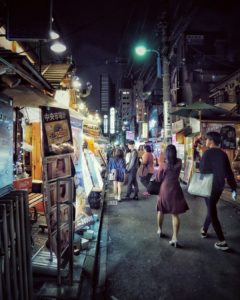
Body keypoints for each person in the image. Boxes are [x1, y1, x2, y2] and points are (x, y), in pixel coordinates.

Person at [200, 131, 237, 251]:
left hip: (208, 187)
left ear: (211, 141)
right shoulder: (223, 154)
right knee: (211, 208)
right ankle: (204, 230)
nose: (206, 141)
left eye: (207, 139)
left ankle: (222, 241)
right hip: (218, 187)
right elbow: (229, 173)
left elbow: (202, 172)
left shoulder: (206, 154)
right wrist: (233, 188)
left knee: (212, 212)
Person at [157, 144, 189, 247]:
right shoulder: (179, 162)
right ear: (175, 153)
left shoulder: (163, 164)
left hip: (164, 189)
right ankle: (175, 238)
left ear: (166, 153)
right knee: (175, 214)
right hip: (175, 188)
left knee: (160, 210)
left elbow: (158, 178)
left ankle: (159, 230)